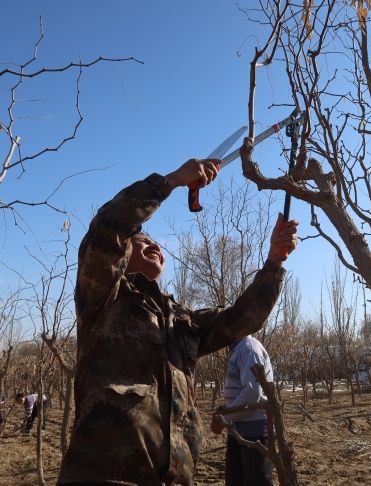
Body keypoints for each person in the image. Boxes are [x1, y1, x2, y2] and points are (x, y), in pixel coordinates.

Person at [57, 159, 298, 485]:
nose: (155, 245)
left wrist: (273, 261)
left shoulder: (180, 319)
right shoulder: (102, 298)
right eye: (144, 241)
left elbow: (241, 320)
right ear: (123, 253)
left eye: (158, 244)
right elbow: (108, 229)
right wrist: (170, 181)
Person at [210, 335, 274, 486]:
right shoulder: (239, 349)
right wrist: (225, 410)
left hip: (255, 434)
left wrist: (225, 418)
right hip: (238, 431)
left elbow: (252, 394)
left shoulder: (248, 349)